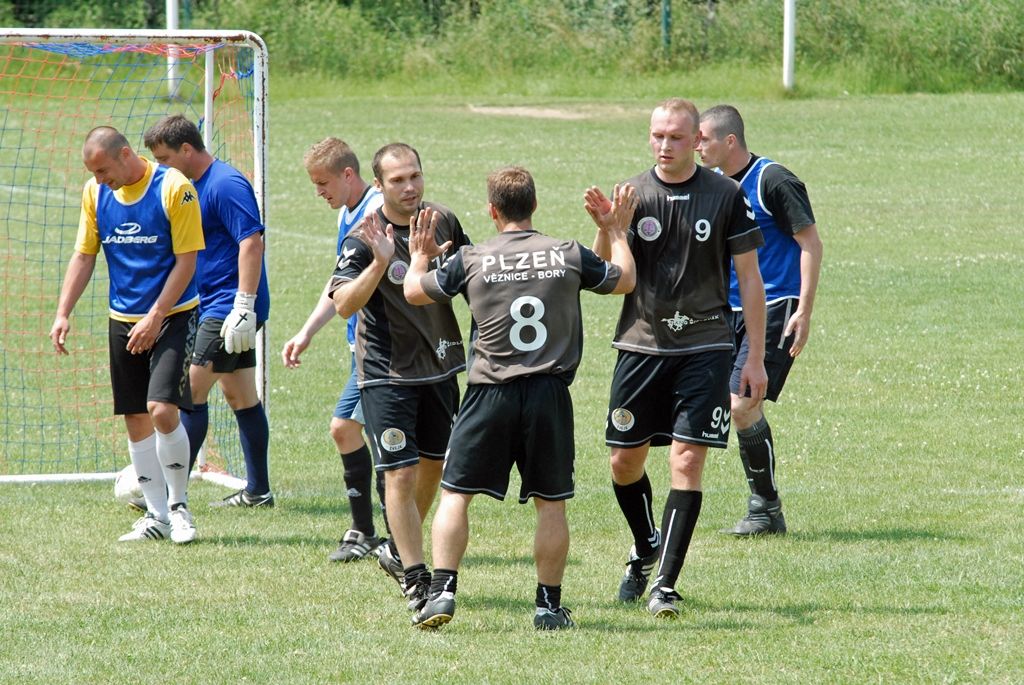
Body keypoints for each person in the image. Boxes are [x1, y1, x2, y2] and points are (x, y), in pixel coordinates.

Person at [404, 167, 638, 631]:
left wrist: (418, 257)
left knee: (455, 495)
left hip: (488, 392)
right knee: (551, 503)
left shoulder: (472, 258)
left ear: (492, 211)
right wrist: (616, 232)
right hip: (549, 394)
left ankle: (442, 594)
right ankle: (548, 607)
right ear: (535, 205)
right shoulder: (567, 253)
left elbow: (415, 292)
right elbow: (624, 279)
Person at [584, 97, 768, 619]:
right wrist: (608, 227)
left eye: (677, 137)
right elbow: (605, 278)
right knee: (624, 461)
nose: (665, 146)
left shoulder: (727, 195)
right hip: (641, 344)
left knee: (686, 460)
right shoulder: (631, 195)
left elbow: (750, 279)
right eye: (657, 136)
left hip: (705, 347)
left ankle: (665, 584)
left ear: (698, 141)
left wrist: (753, 355)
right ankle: (646, 544)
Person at [327, 142, 471, 612]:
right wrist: (382, 261)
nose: (409, 187)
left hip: (439, 367)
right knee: (401, 473)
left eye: (414, 176)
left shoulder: (442, 221)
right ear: (378, 185)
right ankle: (415, 576)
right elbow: (344, 302)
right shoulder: (364, 237)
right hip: (385, 372)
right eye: (397, 180)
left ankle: (395, 546)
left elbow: (474, 278)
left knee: (434, 466)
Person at [50, 126, 204, 543]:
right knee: (135, 417)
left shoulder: (175, 188)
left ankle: (179, 507)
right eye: (93, 172)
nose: (100, 179)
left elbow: (187, 261)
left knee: (160, 408)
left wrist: (156, 316)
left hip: (173, 315)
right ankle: (155, 515)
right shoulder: (96, 193)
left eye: (103, 169)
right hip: (122, 319)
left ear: (125, 154)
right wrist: (63, 312)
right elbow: (85, 254)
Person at [697, 104, 823, 535]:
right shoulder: (712, 185)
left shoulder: (773, 180)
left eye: (704, 139)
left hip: (774, 305)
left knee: (741, 402)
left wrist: (804, 309)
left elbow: (810, 243)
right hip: (724, 309)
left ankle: (765, 507)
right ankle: (766, 509)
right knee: (737, 408)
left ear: (729, 141)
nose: (697, 147)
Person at [143, 114, 274, 509]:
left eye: (165, 158)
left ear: (187, 150)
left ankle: (169, 495)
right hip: (210, 302)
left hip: (229, 305)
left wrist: (244, 306)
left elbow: (251, 243)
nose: (161, 167)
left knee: (189, 392)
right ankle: (258, 490)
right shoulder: (187, 187)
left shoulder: (226, 184)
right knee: (240, 396)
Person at [281, 137, 388, 562]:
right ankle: (369, 532)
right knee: (352, 431)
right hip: (358, 347)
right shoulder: (349, 211)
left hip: (382, 348)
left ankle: (381, 536)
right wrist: (307, 332)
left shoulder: (376, 214)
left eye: (323, 182)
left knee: (359, 433)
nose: (318, 192)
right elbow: (341, 282)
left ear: (348, 175)